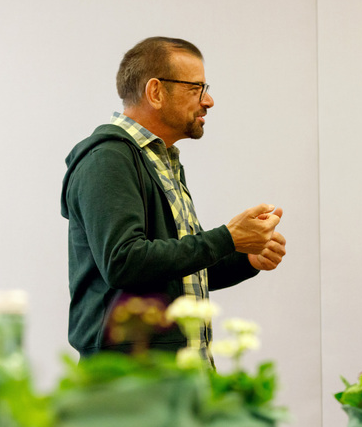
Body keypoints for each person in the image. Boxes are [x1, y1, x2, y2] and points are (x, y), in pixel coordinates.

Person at [60, 37, 286, 360]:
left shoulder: (161, 160)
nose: (208, 101)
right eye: (196, 88)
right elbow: (124, 261)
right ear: (155, 92)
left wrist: (245, 256)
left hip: (175, 381)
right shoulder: (107, 159)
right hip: (133, 388)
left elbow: (176, 273)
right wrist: (227, 237)